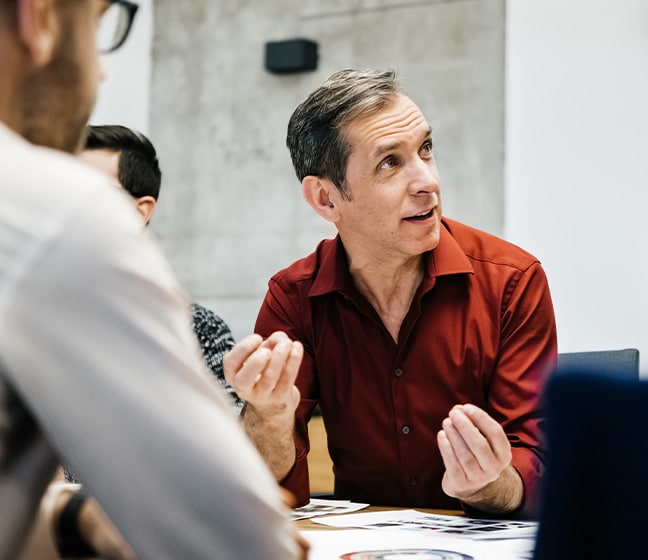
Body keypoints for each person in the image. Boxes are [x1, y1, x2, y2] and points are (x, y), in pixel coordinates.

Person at [0, 1, 303, 558]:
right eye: (98, 23)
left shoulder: (204, 328)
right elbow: (228, 532)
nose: (104, 69)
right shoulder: (57, 213)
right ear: (37, 19)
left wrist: (72, 519)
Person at [227, 68, 557, 519]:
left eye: (425, 149)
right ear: (326, 200)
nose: (427, 182)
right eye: (390, 163)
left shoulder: (512, 280)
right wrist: (267, 416)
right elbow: (264, 486)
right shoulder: (294, 297)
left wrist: (490, 484)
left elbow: (539, 462)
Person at [79, 124, 242, 408]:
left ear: (139, 210)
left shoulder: (198, 330)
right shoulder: (23, 308)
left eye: (93, 191)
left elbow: (230, 440)